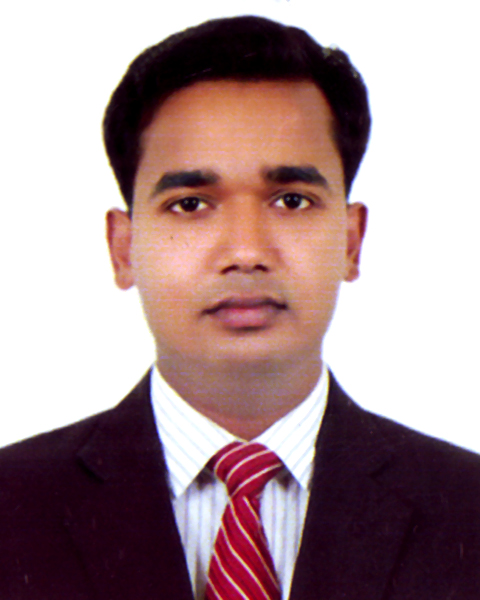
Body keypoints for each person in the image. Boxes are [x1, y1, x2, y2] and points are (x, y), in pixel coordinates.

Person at [0, 15, 479, 600]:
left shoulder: (467, 509)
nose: (247, 252)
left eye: (292, 200)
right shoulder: (11, 507)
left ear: (351, 242)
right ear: (123, 249)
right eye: (190, 204)